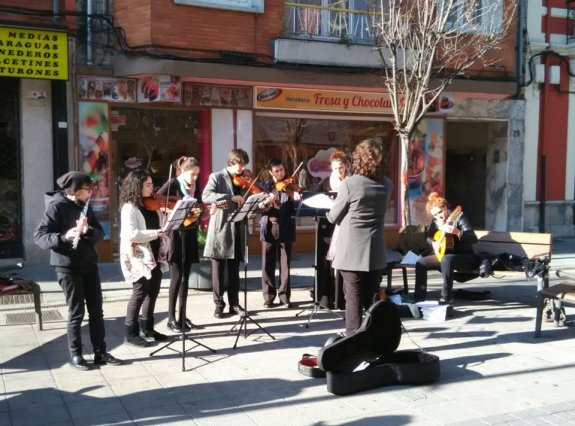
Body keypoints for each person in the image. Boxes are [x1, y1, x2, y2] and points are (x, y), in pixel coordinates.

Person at [34, 171, 122, 370]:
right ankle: (76, 354)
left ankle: (100, 352)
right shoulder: (56, 207)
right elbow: (39, 236)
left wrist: (88, 231)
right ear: (74, 190)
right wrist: (64, 236)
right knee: (76, 312)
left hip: (88, 264)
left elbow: (100, 233)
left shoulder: (85, 207)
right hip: (67, 267)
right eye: (86, 189)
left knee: (96, 311)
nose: (90, 192)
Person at [326, 139, 393, 336]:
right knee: (372, 296)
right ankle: (373, 340)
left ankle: (353, 341)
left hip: (351, 251)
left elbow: (333, 216)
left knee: (353, 297)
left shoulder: (350, 184)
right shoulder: (387, 184)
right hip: (374, 249)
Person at [119, 170, 169, 347]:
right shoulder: (129, 208)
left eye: (151, 184)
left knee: (153, 292)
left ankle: (148, 328)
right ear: (137, 186)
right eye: (147, 185)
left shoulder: (150, 204)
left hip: (154, 254)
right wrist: (156, 233)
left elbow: (161, 225)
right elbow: (131, 234)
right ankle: (130, 333)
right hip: (138, 256)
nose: (152, 188)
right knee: (139, 293)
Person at [157, 156, 204, 332]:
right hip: (175, 236)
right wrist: (168, 209)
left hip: (190, 233)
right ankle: (171, 319)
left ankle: (183, 316)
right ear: (183, 171)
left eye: (197, 175)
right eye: (192, 174)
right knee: (176, 278)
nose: (195, 178)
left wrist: (204, 211)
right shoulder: (173, 184)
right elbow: (156, 201)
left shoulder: (194, 186)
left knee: (186, 278)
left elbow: (198, 206)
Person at [202, 148, 249, 318]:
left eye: (243, 165)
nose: (242, 169)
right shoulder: (216, 177)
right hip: (221, 229)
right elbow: (206, 195)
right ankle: (219, 304)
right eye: (240, 165)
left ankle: (234, 304)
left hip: (237, 228)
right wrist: (230, 197)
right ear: (231, 162)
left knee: (234, 271)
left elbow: (246, 202)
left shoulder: (242, 180)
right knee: (218, 271)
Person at [413, 192, 480, 304]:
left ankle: (446, 297)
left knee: (446, 259)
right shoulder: (436, 222)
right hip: (446, 257)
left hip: (466, 257)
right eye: (435, 215)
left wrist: (458, 232)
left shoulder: (458, 216)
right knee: (421, 263)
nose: (438, 216)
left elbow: (473, 238)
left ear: (445, 207)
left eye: (440, 212)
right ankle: (419, 298)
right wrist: (434, 243)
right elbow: (429, 237)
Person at [258, 158, 301, 309]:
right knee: (267, 263)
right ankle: (268, 297)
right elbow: (260, 207)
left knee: (285, 263)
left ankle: (284, 296)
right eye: (276, 171)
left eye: (282, 170)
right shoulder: (265, 186)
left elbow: (297, 207)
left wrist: (296, 199)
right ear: (271, 172)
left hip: (286, 226)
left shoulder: (291, 186)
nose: (280, 173)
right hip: (269, 227)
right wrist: (266, 203)